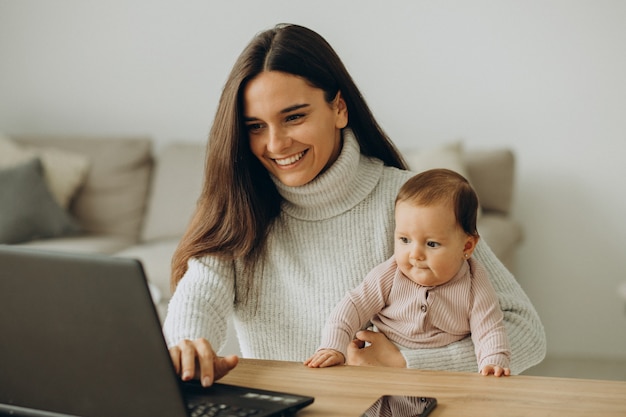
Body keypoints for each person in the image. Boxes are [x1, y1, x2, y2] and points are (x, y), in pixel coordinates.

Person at [163, 23, 545, 387]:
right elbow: (200, 294)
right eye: (255, 126)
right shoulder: (239, 209)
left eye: (294, 117)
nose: (276, 144)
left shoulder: (408, 200)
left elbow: (525, 333)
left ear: (339, 109)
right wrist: (187, 346)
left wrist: (407, 362)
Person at [305, 169, 511, 376]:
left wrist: (493, 360)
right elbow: (351, 307)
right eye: (405, 240)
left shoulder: (475, 282)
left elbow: (489, 328)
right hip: (380, 371)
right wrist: (333, 346)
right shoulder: (389, 273)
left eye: (431, 244)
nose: (415, 254)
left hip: (441, 376)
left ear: (467, 247)